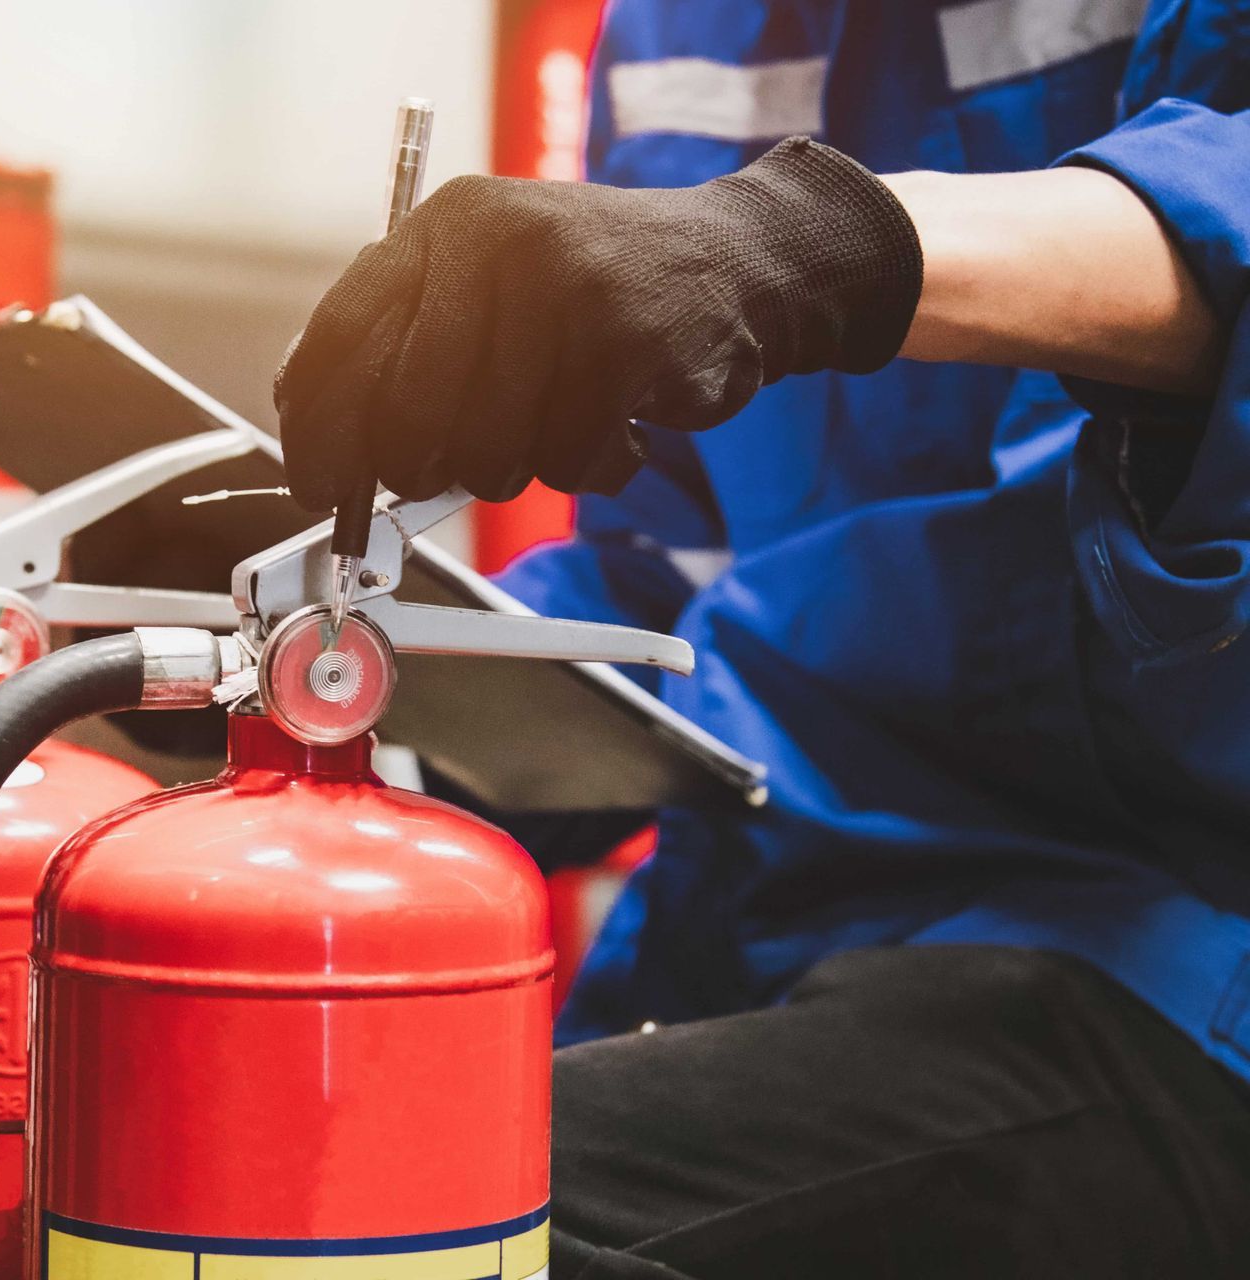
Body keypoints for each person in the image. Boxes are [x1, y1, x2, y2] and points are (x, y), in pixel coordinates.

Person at [273, 1, 1250, 1275]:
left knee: (412, 1229)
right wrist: (357, 727)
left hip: (1162, 959)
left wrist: (819, 243)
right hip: (763, 914)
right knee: (245, 1160)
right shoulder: (690, 27)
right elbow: (670, 569)